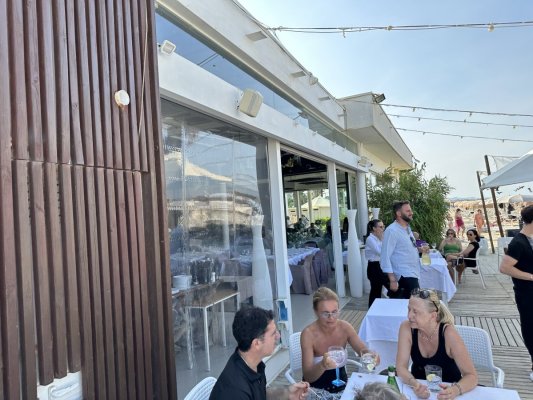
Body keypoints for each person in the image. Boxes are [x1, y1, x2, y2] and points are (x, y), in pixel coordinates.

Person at [210, 306, 309, 400]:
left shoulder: (253, 364)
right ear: (257, 343)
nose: (278, 336)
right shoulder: (236, 391)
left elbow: (260, 395)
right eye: (273, 333)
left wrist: (288, 393)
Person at [396, 288, 478, 399]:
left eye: (415, 312)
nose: (409, 316)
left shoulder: (448, 334)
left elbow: (472, 376)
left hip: (449, 393)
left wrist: (454, 390)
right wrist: (415, 384)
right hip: (418, 393)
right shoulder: (406, 328)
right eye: (409, 309)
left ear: (433, 315)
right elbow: (401, 367)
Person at [301, 287, 376, 391]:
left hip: (342, 385)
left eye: (334, 312)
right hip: (316, 389)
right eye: (325, 313)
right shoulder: (308, 334)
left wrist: (372, 356)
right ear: (316, 312)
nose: (331, 317)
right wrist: (322, 365)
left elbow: (362, 351)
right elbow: (308, 377)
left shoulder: (345, 327)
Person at [499, 205, 533, 381]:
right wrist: (530, 276)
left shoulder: (530, 240)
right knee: (530, 328)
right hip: (527, 294)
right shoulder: (518, 242)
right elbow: (504, 268)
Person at [381, 201, 421, 299]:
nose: (411, 213)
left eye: (410, 210)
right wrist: (392, 279)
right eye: (408, 211)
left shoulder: (407, 228)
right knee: (411, 305)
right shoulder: (392, 231)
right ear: (398, 213)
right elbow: (385, 256)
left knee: (413, 305)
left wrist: (420, 250)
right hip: (403, 276)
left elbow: (406, 248)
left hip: (413, 273)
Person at [364, 219, 388, 307]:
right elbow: (380, 252)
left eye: (383, 226)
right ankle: (372, 310)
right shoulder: (370, 239)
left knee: (377, 290)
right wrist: (383, 240)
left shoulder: (378, 238)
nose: (383, 229)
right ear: (374, 228)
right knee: (376, 291)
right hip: (374, 267)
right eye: (381, 227)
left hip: (380, 266)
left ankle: (375, 309)